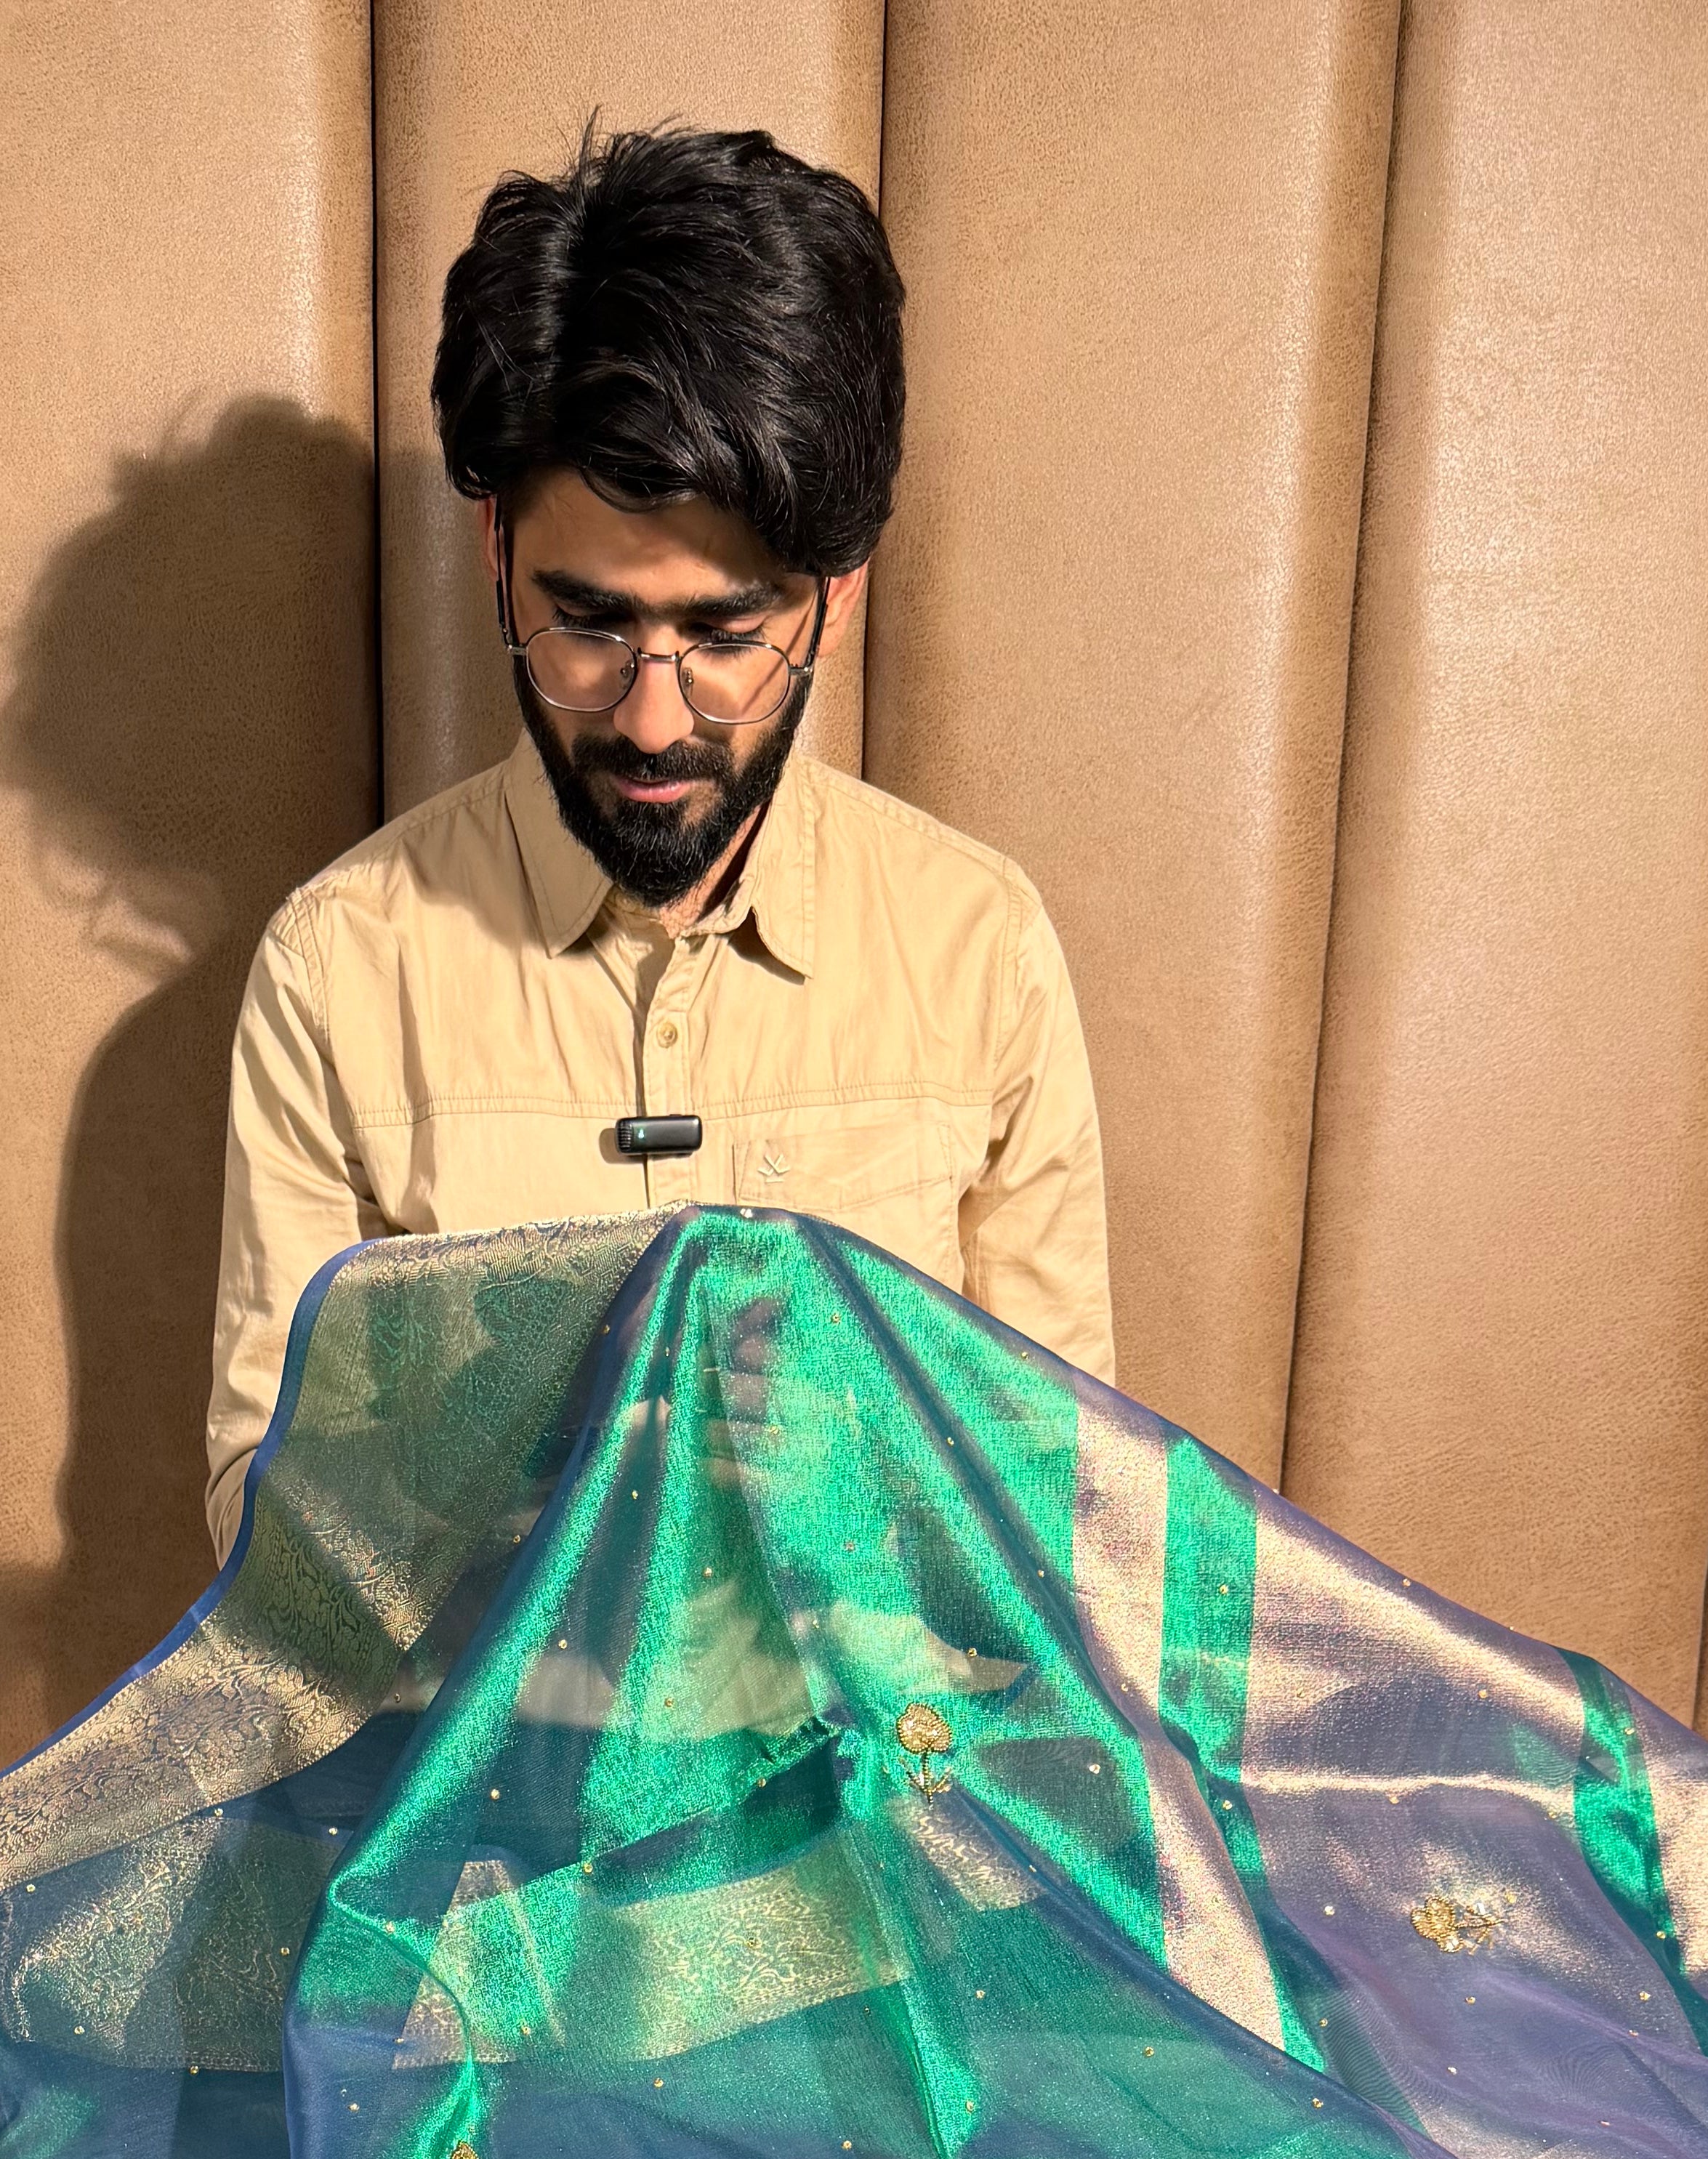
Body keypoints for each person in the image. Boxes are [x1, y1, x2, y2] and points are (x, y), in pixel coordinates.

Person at [203, 122, 1115, 1554]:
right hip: (496, 1767)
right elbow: (274, 1534)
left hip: (874, 1766)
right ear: (497, 551)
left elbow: (1065, 1498)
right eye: (591, 622)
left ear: (835, 596)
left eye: (725, 635)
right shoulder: (341, 968)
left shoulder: (977, 947)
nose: (647, 720)